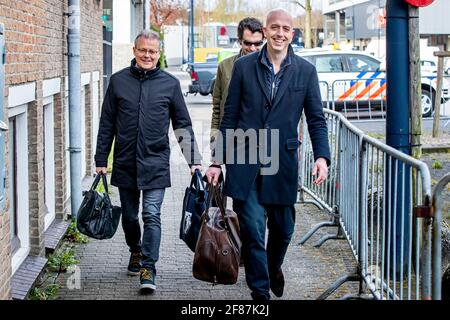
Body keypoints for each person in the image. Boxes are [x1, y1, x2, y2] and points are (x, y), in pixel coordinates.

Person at [205, 9, 330, 300]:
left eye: (286, 28)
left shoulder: (305, 71)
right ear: (265, 30)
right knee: (251, 229)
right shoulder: (244, 67)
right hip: (244, 162)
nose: (280, 33)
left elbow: (316, 118)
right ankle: (259, 292)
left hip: (282, 164)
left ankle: (273, 268)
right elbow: (229, 116)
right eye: (275, 27)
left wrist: (321, 157)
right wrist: (216, 160)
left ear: (292, 33)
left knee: (284, 230)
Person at [95, 30, 202, 293]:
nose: (147, 55)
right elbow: (107, 122)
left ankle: (148, 266)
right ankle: (135, 249)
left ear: (159, 53)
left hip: (155, 161)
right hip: (125, 161)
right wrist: (100, 158)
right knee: (130, 217)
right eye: (143, 50)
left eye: (153, 51)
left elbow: (182, 124)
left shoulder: (170, 84)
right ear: (134, 50)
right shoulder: (119, 82)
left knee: (152, 214)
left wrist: (193, 160)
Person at [210, 17, 264, 148]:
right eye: (248, 43)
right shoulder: (225, 66)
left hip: (262, 143)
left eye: (258, 44)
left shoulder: (271, 68)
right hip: (232, 142)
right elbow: (217, 107)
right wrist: (215, 140)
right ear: (240, 41)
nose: (253, 48)